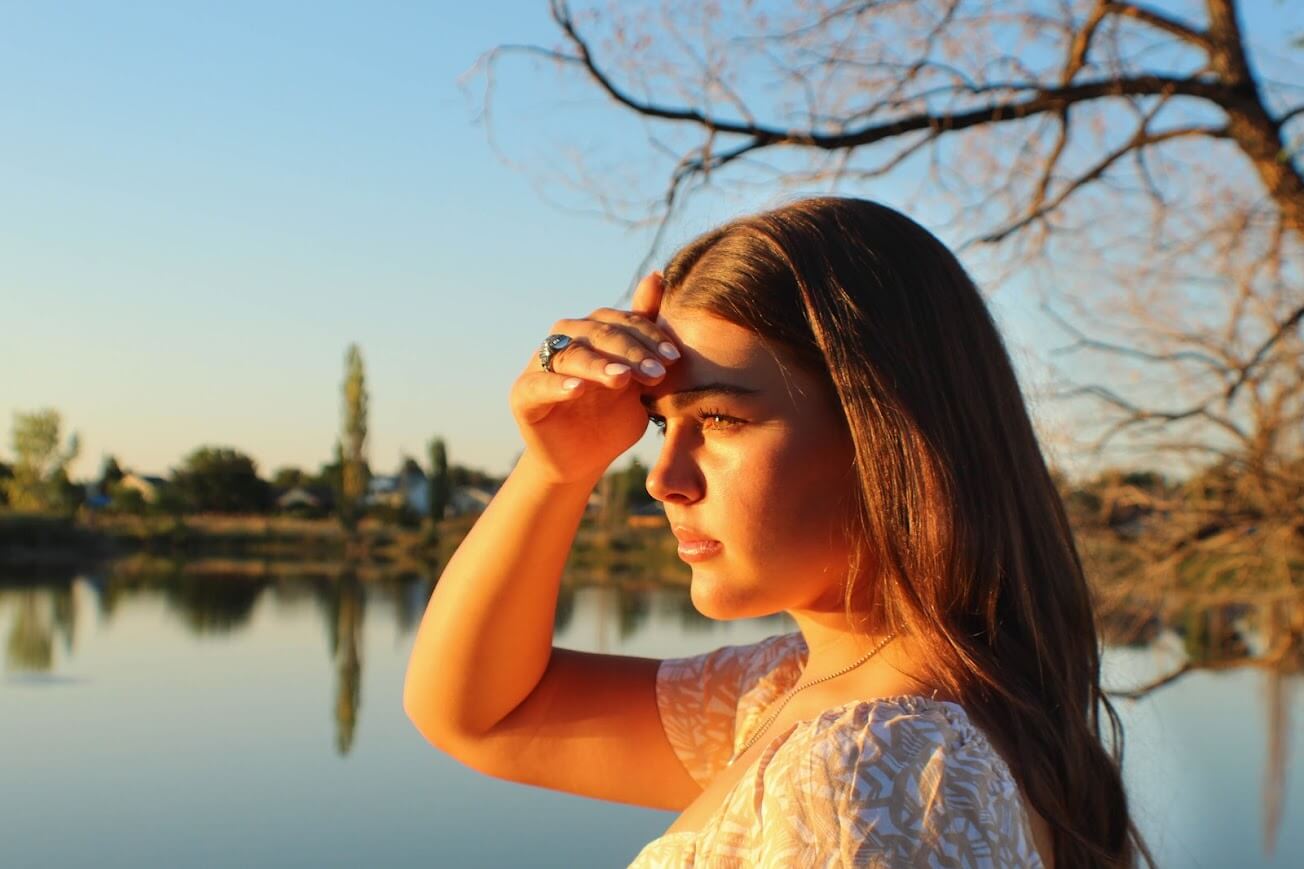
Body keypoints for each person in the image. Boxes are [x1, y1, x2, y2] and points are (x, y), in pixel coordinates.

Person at [403, 196, 1156, 868]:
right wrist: (558, 467)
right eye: (660, 423)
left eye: (721, 418)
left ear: (886, 434)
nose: (663, 477)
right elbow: (482, 713)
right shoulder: (797, 695)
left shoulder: (867, 772)